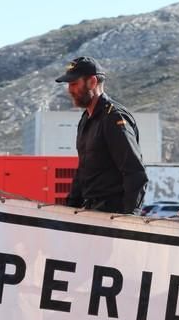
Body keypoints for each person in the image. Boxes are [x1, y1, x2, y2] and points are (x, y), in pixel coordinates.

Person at [55, 56, 148, 214]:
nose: (69, 90)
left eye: (74, 84)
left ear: (92, 82)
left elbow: (135, 172)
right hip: (91, 211)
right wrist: (68, 213)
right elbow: (83, 171)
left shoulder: (114, 118)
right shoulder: (86, 119)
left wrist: (130, 221)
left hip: (112, 215)